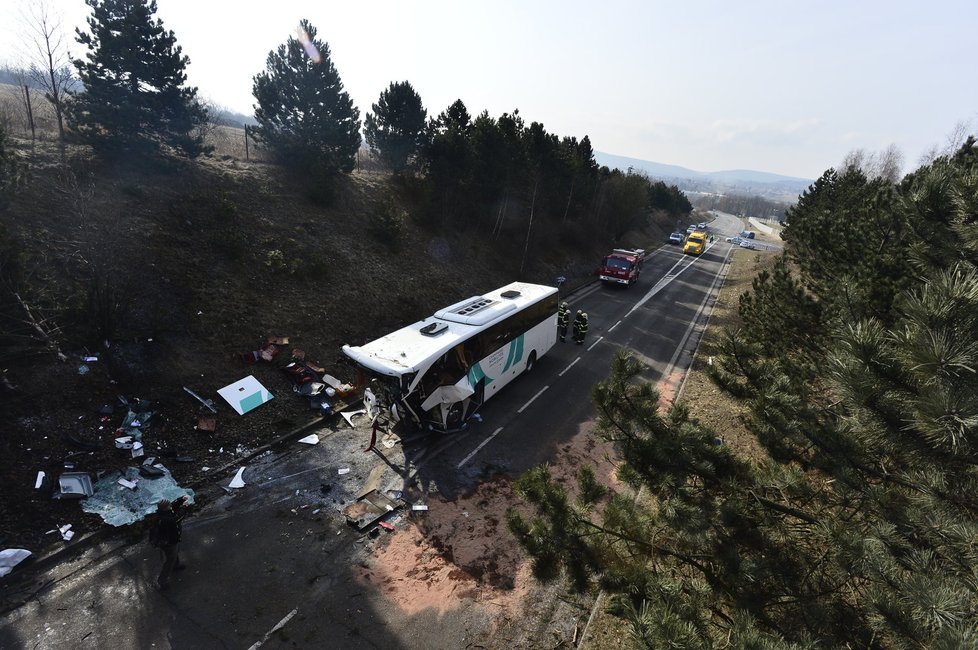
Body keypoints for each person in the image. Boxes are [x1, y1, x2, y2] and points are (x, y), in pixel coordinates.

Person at [153, 495, 189, 590]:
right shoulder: (166, 519)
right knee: (170, 560)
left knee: (175, 552)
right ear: (165, 508)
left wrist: (181, 500)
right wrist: (184, 507)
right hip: (169, 543)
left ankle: (176, 565)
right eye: (169, 506)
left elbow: (173, 506)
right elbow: (178, 518)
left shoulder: (165, 512)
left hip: (173, 539)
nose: (171, 506)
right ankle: (162, 580)